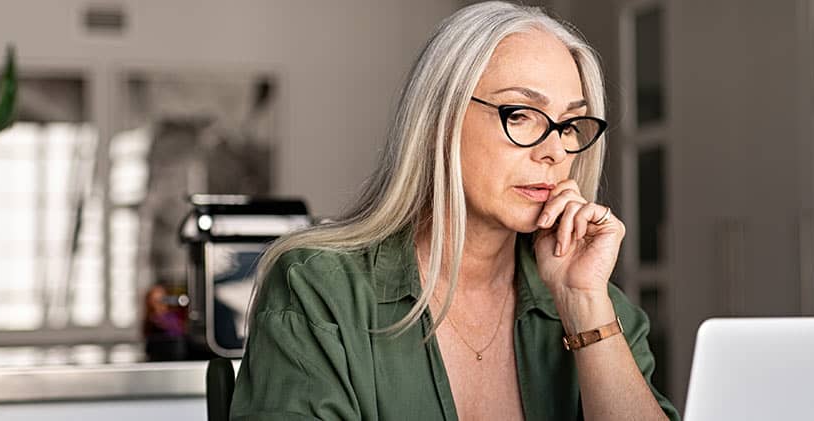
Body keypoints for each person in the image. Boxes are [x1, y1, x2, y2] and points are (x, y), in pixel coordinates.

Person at [229, 2, 678, 420]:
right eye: (521, 114)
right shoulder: (317, 289)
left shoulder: (595, 301)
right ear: (440, 118)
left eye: (569, 124)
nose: (554, 151)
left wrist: (583, 305)